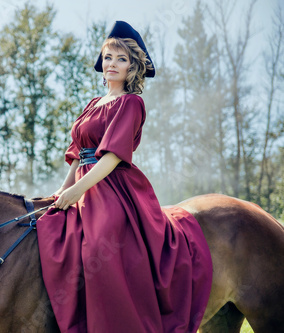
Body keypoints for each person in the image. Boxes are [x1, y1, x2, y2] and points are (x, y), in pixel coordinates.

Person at [36, 21, 212, 333]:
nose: (113, 64)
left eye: (121, 59)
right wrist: (62, 191)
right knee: (49, 226)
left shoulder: (132, 103)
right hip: (84, 183)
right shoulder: (93, 105)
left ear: (132, 67)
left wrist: (78, 189)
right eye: (108, 57)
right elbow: (78, 153)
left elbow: (113, 156)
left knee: (98, 244)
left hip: (114, 187)